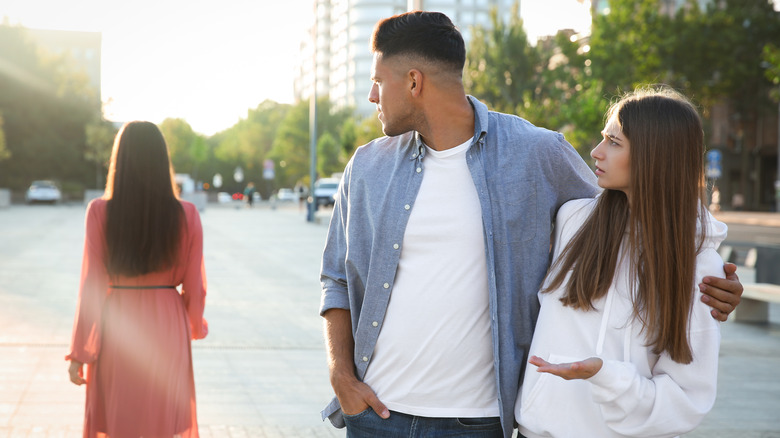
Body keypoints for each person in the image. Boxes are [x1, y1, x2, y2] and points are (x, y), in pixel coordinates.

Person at [319, 11, 743, 438]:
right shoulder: (367, 167)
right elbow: (336, 277)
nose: (372, 95)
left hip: (479, 421)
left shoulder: (538, 154)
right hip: (376, 415)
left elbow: (639, 213)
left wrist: (703, 273)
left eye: (378, 81)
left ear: (414, 82)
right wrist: (341, 376)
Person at [516, 88, 725, 437]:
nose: (596, 152)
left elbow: (688, 400)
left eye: (614, 142)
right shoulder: (572, 220)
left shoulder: (699, 264)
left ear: (654, 156)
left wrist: (606, 376)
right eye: (603, 139)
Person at [67, 121, 208, 438]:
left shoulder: (99, 212)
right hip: (167, 325)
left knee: (120, 420)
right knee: (162, 421)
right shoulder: (187, 215)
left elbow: (90, 286)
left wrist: (79, 351)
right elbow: (195, 287)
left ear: (121, 160)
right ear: (162, 162)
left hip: (118, 324)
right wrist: (196, 326)